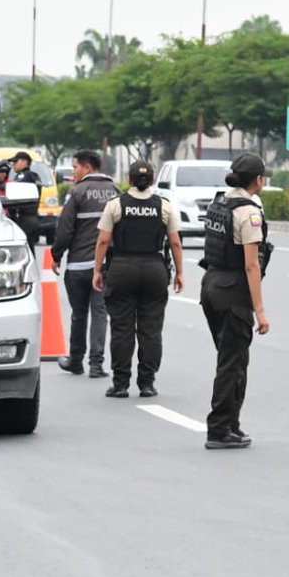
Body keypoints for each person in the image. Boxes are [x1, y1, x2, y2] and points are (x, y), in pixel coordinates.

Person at [198, 153, 274, 450]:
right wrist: (260, 311)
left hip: (211, 284)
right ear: (257, 179)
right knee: (232, 361)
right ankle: (218, 428)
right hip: (233, 292)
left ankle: (232, 423)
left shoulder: (220, 202)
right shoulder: (248, 212)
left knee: (233, 358)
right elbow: (251, 265)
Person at [93, 160, 184, 399]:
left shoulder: (115, 205)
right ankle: (147, 383)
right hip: (154, 269)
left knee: (122, 328)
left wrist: (96, 270)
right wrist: (180, 273)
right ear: (153, 180)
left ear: (130, 180)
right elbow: (175, 242)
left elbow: (103, 240)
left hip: (122, 269)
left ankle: (120, 384)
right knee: (151, 329)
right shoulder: (163, 206)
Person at [50, 149, 120, 378]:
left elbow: (65, 229)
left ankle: (76, 361)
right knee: (100, 313)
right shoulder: (115, 192)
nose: (74, 172)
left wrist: (57, 254)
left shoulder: (77, 192)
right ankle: (97, 364)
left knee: (79, 314)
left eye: (75, 167)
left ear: (87, 167)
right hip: (105, 267)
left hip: (78, 267)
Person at [9, 151, 42, 252]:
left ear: (24, 162)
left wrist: (2, 187)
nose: (13, 164)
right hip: (32, 217)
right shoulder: (33, 176)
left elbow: (14, 192)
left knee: (23, 250)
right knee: (29, 248)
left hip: (25, 218)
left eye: (15, 161)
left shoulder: (24, 176)